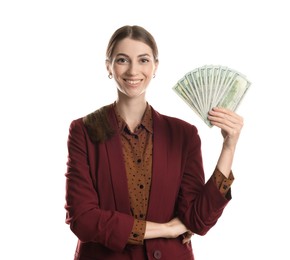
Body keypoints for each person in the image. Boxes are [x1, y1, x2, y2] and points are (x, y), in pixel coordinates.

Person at [64, 25, 244, 260]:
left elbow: (197, 220)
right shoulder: (85, 130)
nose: (133, 70)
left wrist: (229, 146)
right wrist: (166, 229)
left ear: (155, 66)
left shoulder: (184, 134)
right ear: (108, 66)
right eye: (122, 60)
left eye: (143, 60)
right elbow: (83, 219)